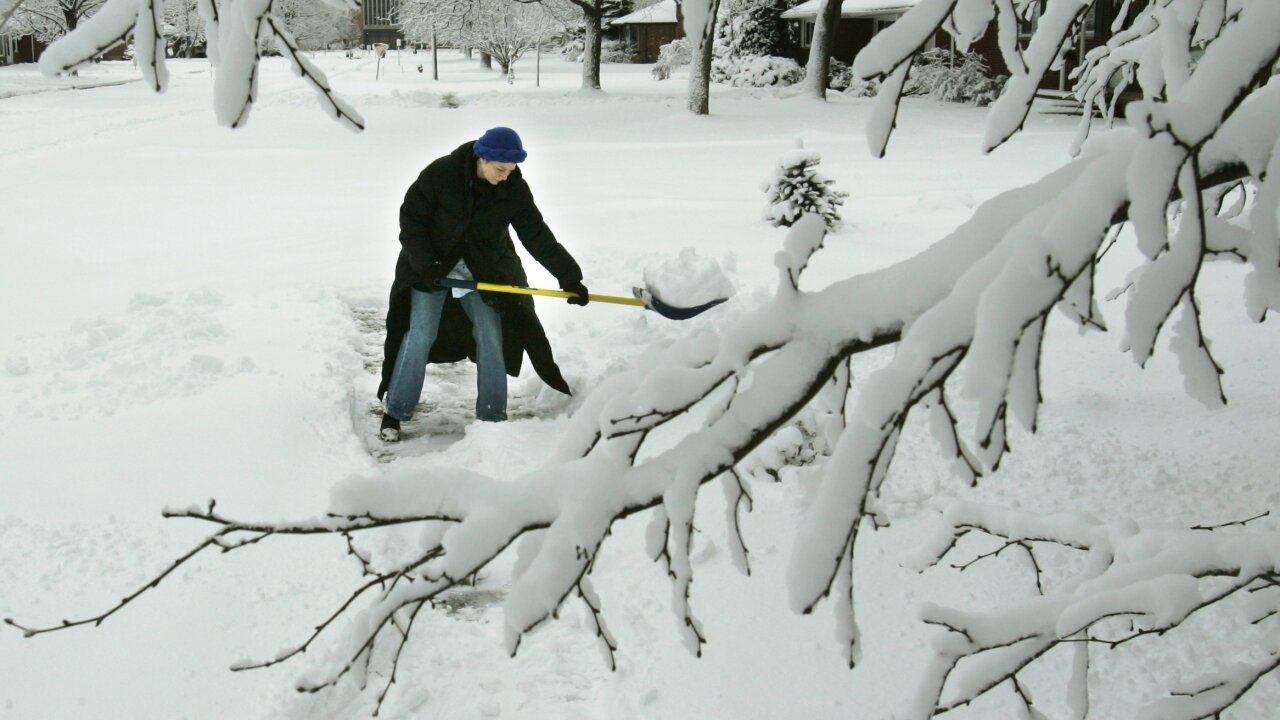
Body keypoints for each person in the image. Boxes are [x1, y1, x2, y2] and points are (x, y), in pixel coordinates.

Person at [378, 127, 589, 441]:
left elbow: (537, 235)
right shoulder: (441, 174)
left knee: (491, 333)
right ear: (481, 157)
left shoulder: (513, 189)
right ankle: (396, 411)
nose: (505, 176)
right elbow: (411, 221)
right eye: (500, 169)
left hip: (481, 268)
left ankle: (492, 417)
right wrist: (426, 264)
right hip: (430, 267)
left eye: (512, 170)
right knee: (421, 332)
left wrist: (569, 275)